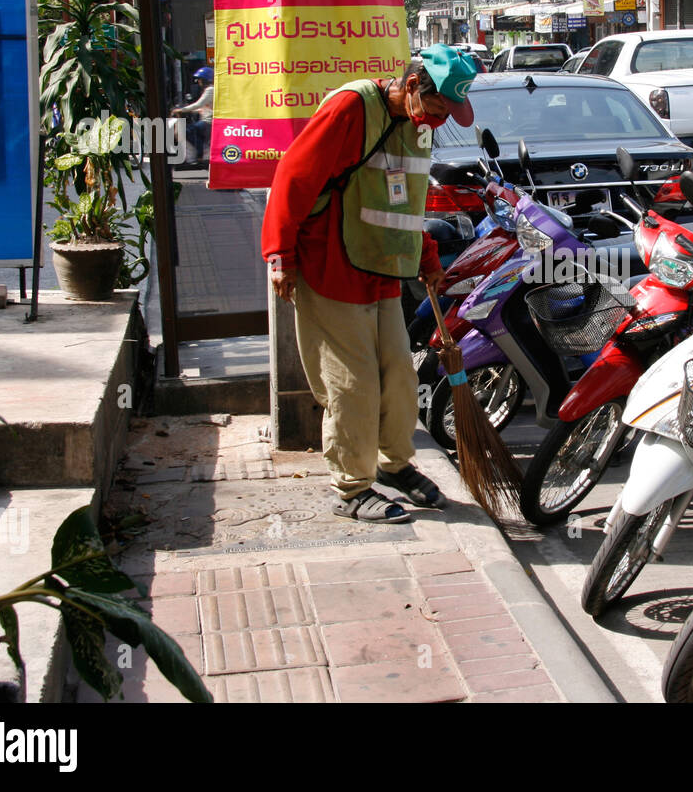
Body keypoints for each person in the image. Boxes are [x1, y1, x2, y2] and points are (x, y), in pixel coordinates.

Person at [261, 45, 478, 522]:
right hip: (331, 264)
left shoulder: (418, 126)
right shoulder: (352, 108)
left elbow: (406, 200)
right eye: (440, 108)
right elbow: (292, 178)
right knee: (352, 384)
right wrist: (280, 254)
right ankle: (352, 488)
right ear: (417, 85)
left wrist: (426, 257)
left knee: (400, 373)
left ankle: (393, 465)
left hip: (383, 268)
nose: (441, 121)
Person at [172, 67, 214, 166]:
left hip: (208, 121)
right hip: (207, 119)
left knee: (189, 132)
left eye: (199, 79)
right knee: (191, 130)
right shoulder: (209, 90)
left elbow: (198, 104)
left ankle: (199, 154)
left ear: (204, 79)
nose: (198, 82)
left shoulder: (210, 90)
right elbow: (202, 107)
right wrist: (192, 111)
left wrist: (181, 110)